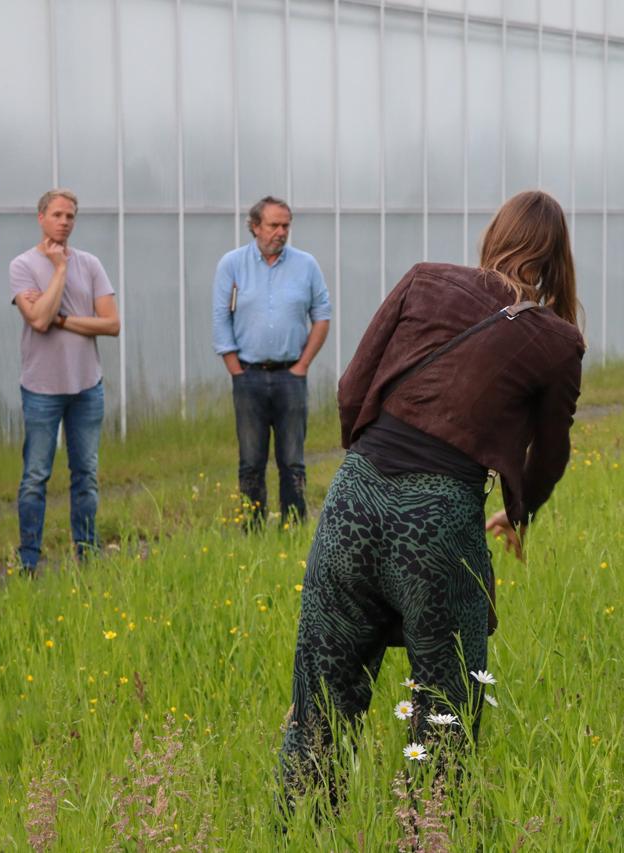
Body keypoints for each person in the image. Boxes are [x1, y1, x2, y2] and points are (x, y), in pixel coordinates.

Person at [279, 190, 584, 801]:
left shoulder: (424, 281)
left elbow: (349, 388)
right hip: (440, 517)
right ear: (555, 260)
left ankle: (301, 832)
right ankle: (430, 833)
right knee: (444, 706)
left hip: (354, 496)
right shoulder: (558, 342)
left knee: (321, 700)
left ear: (493, 235)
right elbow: (549, 454)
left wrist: (370, 466)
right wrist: (520, 512)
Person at [10, 190, 121, 575]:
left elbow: (111, 324)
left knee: (86, 475)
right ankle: (29, 560)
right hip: (41, 389)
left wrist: (63, 319)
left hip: (87, 387)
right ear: (41, 217)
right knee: (35, 477)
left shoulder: (90, 264)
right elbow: (38, 320)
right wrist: (58, 269)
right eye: (57, 214)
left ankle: (87, 554)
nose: (64, 222)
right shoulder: (22, 265)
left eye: (70, 216)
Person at [212, 197, 330, 527]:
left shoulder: (306, 265)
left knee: (292, 459)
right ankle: (253, 525)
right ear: (254, 226)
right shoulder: (232, 264)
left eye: (286, 225)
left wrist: (303, 365)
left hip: (290, 375)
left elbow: (322, 317)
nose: (280, 232)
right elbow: (221, 318)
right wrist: (235, 368)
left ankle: (293, 524)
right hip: (248, 374)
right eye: (273, 225)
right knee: (251, 458)